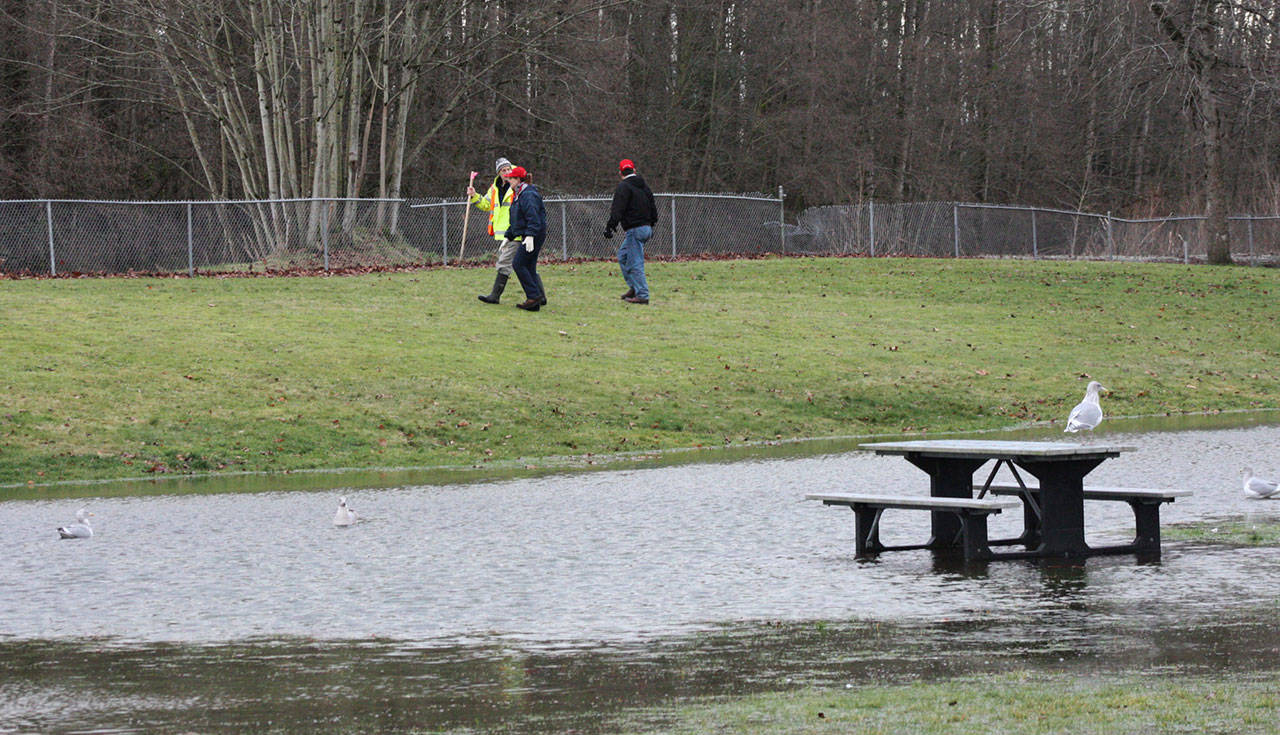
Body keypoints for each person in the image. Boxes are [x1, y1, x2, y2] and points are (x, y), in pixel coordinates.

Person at [603, 158, 657, 304]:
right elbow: (653, 207)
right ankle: (634, 287)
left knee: (635, 263)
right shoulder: (644, 186)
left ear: (620, 173)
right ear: (634, 170)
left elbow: (617, 208)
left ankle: (643, 295)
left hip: (635, 229)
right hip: (646, 228)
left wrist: (610, 226)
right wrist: (651, 225)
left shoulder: (624, 187)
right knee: (623, 256)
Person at [469, 157, 518, 304]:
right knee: (523, 265)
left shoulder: (517, 184)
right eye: (503, 170)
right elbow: (485, 204)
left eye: (508, 169)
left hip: (515, 232)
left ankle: (495, 296)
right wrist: (474, 196)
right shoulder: (495, 188)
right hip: (503, 234)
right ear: (499, 173)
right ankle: (538, 296)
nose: (506, 172)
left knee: (505, 263)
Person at [502, 166, 547, 311]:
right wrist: (508, 236)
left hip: (534, 235)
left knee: (519, 264)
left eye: (511, 179)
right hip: (530, 234)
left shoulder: (528, 194)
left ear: (518, 179)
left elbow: (533, 218)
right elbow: (517, 220)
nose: (508, 181)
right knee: (529, 266)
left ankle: (533, 297)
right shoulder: (519, 194)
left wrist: (530, 236)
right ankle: (537, 297)